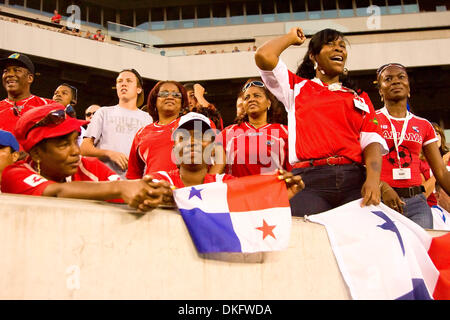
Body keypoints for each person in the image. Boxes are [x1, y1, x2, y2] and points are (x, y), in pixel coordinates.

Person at [255, 27, 388, 216]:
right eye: (331, 44)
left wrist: (373, 181)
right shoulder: (296, 87)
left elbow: (372, 142)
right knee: (303, 240)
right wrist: (290, 38)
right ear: (313, 56)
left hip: (354, 182)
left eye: (342, 45)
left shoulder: (360, 97)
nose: (339, 49)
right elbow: (264, 55)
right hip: (308, 183)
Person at [1, 103, 170, 212]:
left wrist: (153, 193)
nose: (75, 151)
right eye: (63, 145)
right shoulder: (14, 174)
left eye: (75, 141)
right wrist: (120, 187)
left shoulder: (88, 165)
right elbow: (56, 193)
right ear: (36, 153)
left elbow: (126, 189)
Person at [151, 112, 304, 200]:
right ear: (173, 149)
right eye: (183, 138)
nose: (192, 142)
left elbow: (255, 200)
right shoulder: (160, 180)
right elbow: (132, 189)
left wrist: (281, 195)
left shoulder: (226, 184)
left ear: (212, 149)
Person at [375, 63, 450, 228]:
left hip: (417, 202)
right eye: (388, 79)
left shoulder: (423, 125)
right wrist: (381, 186)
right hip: (382, 200)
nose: (396, 81)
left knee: (421, 251)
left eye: (401, 77)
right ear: (381, 91)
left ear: (409, 88)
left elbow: (440, 171)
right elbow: (361, 163)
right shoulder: (371, 120)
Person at [81, 69, 152, 179]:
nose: (123, 83)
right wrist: (109, 153)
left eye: (129, 81)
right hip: (104, 179)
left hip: (134, 182)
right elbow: (84, 148)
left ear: (138, 89)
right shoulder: (103, 112)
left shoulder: (148, 119)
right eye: (120, 81)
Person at [217, 79, 290, 177]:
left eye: (257, 95)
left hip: (273, 191)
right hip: (238, 191)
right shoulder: (228, 133)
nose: (251, 99)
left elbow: (293, 172)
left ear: (269, 103)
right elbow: (215, 174)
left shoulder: (285, 132)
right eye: (247, 97)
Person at [126, 80, 190, 179]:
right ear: (154, 101)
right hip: (153, 191)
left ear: (182, 103)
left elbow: (216, 158)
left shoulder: (192, 125)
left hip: (186, 191)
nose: (170, 97)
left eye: (176, 94)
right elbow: (133, 174)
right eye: (164, 93)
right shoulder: (141, 133)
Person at [0, 52, 53, 137]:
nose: (9, 74)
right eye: (6, 71)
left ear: (30, 78)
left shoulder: (48, 106)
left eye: (16, 70)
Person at [419, 122, 450, 207]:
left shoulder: (448, 157)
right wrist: (441, 166)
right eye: (431, 134)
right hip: (431, 208)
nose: (434, 138)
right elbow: (422, 195)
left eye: (437, 134)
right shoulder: (418, 162)